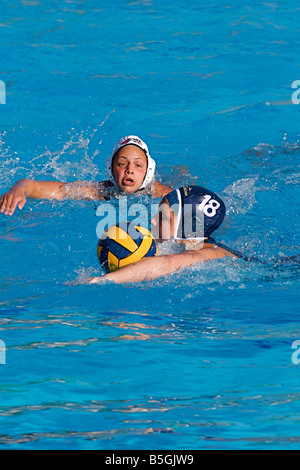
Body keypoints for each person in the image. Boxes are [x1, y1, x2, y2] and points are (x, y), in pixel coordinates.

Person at [85, 185, 238, 285]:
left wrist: (105, 279)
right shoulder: (193, 244)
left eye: (162, 216)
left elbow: (166, 264)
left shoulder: (206, 253)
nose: (152, 221)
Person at [0, 135, 172, 216]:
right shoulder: (99, 191)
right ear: (111, 170)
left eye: (138, 165)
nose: (130, 169)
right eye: (122, 163)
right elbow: (52, 189)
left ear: (148, 171)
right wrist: (19, 190)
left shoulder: (165, 196)